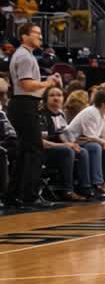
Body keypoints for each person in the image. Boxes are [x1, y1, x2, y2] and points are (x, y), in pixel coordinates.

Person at [7, 23, 61, 208]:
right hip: (24, 104)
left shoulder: (24, 55)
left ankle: (13, 194)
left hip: (22, 104)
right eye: (36, 33)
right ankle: (30, 196)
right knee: (34, 150)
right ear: (24, 36)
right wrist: (48, 82)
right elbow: (27, 85)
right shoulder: (24, 57)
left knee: (25, 152)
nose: (40, 37)